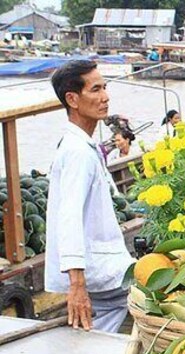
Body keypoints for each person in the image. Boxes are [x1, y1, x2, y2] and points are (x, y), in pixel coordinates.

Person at [46, 60, 134, 332]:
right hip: (100, 271)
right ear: (72, 99)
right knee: (158, 294)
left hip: (102, 266)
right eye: (95, 90)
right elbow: (68, 216)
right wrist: (77, 283)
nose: (105, 97)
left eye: (105, 88)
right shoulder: (77, 152)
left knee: (101, 324)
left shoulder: (84, 145)